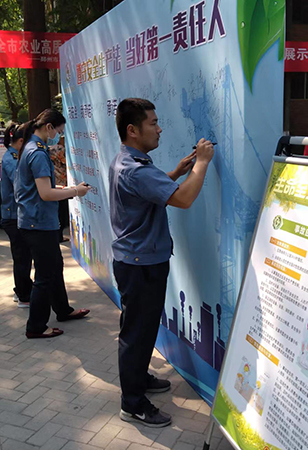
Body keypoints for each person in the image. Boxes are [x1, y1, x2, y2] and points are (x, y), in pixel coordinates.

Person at [109, 98, 215, 427]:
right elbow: (182, 198)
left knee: (141, 329)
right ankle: (132, 403)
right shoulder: (136, 169)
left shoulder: (129, 161)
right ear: (133, 130)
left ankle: (138, 379)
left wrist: (176, 173)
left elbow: (148, 191)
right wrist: (201, 163)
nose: (159, 129)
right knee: (137, 334)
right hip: (141, 264)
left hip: (138, 260)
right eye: (153, 123)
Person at [15, 108, 91, 339]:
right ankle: (36, 326)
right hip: (38, 223)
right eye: (59, 131)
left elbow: (39, 188)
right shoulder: (37, 153)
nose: (59, 136)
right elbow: (46, 194)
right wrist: (75, 192)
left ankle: (63, 310)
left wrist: (67, 189)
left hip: (36, 221)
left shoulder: (31, 147)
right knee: (45, 275)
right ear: (49, 127)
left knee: (55, 267)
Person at [1, 123, 32, 308]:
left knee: (22, 255)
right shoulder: (11, 159)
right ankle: (24, 295)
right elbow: (20, 184)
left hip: (15, 213)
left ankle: (21, 289)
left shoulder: (15, 156)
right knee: (22, 256)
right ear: (21, 141)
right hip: (13, 215)